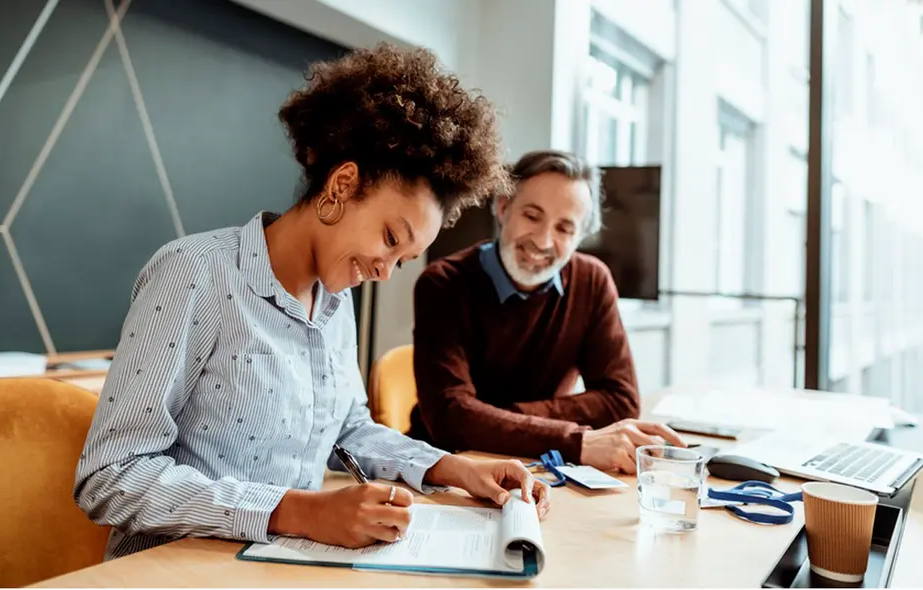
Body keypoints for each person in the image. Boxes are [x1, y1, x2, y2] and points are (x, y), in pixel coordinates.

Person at [74, 43, 550, 561]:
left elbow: (348, 429)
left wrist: (450, 467)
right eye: (391, 238)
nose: (386, 273)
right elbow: (110, 476)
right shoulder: (197, 275)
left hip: (280, 567)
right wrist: (298, 511)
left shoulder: (334, 302)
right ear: (343, 183)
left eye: (404, 260)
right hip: (174, 570)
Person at [408, 150, 685, 473]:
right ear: (503, 207)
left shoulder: (592, 281)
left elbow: (620, 403)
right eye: (532, 216)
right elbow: (450, 419)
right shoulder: (443, 284)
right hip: (450, 468)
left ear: (580, 237)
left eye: (565, 228)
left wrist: (492, 415)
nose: (542, 241)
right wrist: (574, 440)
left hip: (543, 467)